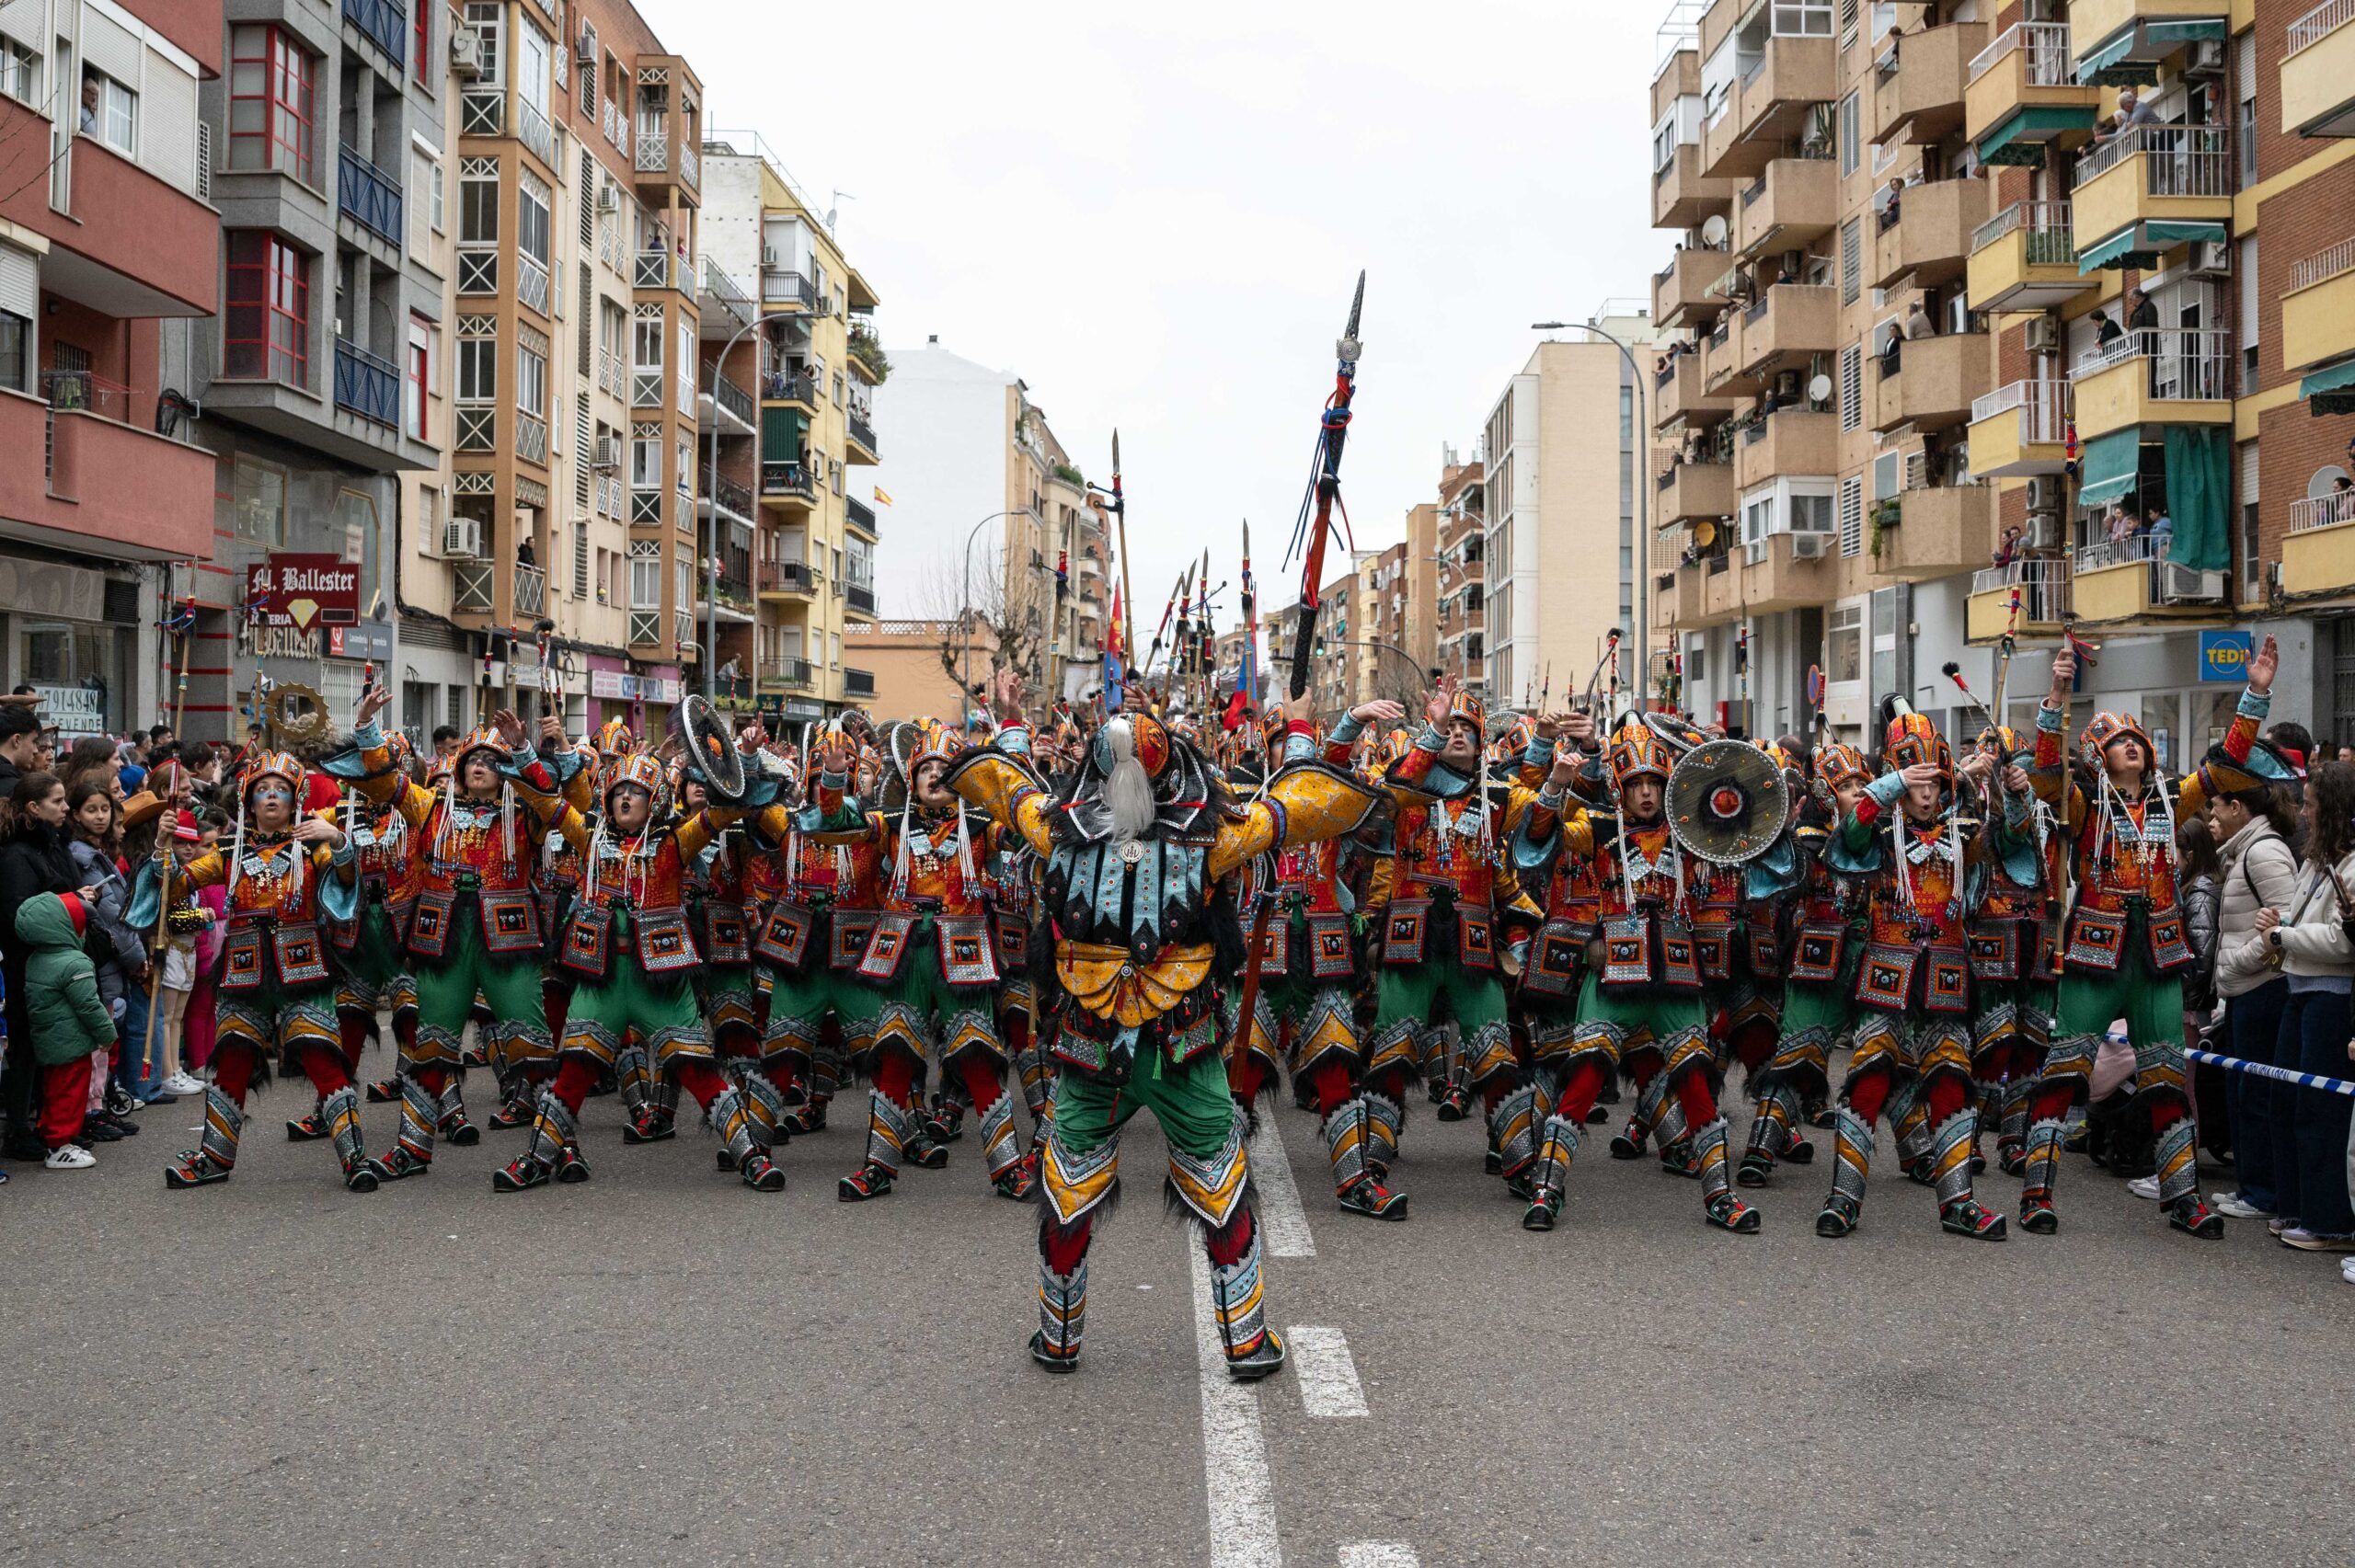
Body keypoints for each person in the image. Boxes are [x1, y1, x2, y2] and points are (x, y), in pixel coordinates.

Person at [948, 677, 1377, 1379]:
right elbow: (1292, 808)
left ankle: (1058, 1336)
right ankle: (1245, 1342)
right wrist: (1299, 729)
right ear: (1173, 771)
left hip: (1090, 1048)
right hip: (1182, 1046)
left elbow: (1010, 787)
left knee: (1068, 1187)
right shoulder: (1212, 839)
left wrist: (1015, 719)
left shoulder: (1058, 833)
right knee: (1221, 1182)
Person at [2024, 634, 2278, 1237]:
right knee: (2064, 1071)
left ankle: (2183, 1197)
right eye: (2118, 742)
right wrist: (2057, 693)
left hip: (2159, 955)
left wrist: (2254, 695)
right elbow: (2044, 774)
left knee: (2166, 1075)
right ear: (2100, 757)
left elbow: (2226, 767)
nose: (2131, 746)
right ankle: (2036, 1192)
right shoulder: (2084, 804)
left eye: (2137, 738)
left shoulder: (2172, 798)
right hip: (2095, 954)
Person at [128, 743, 377, 1192]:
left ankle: (354, 1159)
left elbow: (345, 885)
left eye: (281, 789)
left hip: (304, 965)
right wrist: (162, 846)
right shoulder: (229, 852)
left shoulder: (312, 848)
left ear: (295, 800)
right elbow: (176, 886)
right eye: (263, 789)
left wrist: (338, 840)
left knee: (323, 1057)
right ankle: (214, 1158)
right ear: (249, 801)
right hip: (243, 968)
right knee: (233, 1061)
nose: (271, 796)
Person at [2251, 762, 2355, 1252]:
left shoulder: (2351, 864)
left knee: (2320, 1109)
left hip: (2332, 997)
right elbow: (2310, 916)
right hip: (2300, 988)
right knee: (2286, 1103)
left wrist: (2283, 934)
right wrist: (2284, 921)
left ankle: (2329, 1221)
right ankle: (2295, 1207)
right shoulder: (2317, 859)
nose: (2304, 813)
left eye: (2311, 804)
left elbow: (2342, 940)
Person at [2210, 762, 2299, 1220]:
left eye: (2216, 806)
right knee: (2241, 1091)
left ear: (2237, 807)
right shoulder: (2244, 850)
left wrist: (2237, 963)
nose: (2210, 816)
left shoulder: (2263, 852)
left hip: (2264, 988)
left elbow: (2285, 923)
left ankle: (2262, 1193)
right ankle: (2250, 1188)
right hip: (2245, 989)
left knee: (2257, 1095)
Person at [1, 772, 86, 1166]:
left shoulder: (50, 845)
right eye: (57, 801)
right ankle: (19, 1130)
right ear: (34, 807)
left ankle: (47, 1123)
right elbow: (21, 916)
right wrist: (72, 901)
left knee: (46, 1047)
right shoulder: (17, 855)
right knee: (25, 1049)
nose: (66, 807)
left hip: (49, 964)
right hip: (28, 968)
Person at [15, 889, 116, 1170]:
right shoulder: (75, 963)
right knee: (71, 1093)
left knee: (54, 1090)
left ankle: (50, 1134)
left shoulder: (36, 958)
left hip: (49, 1039)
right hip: (72, 1042)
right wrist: (107, 1034)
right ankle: (60, 1146)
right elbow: (89, 1006)